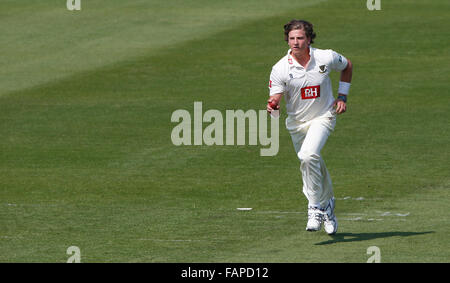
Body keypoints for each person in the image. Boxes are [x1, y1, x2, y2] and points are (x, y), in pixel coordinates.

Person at [267, 19, 353, 235]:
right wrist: (273, 106)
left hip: (323, 117)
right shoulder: (280, 68)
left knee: (307, 155)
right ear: (287, 39)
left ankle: (315, 206)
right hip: (297, 124)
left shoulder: (326, 57)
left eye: (300, 38)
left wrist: (342, 96)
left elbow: (347, 66)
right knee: (311, 161)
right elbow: (274, 101)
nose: (295, 42)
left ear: (309, 39)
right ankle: (329, 207)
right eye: (292, 38)